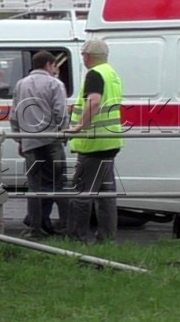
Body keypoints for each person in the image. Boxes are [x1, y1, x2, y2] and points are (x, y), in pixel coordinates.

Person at [66, 38, 126, 242]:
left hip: (94, 142)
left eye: (83, 54)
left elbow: (94, 102)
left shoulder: (95, 74)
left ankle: (78, 237)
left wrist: (79, 126)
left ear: (88, 56)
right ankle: (107, 238)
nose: (83, 58)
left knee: (82, 192)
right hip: (110, 140)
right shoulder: (112, 73)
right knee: (106, 193)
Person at [11, 50, 70, 236]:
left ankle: (35, 227)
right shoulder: (55, 84)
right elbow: (61, 113)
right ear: (49, 64)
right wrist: (64, 133)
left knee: (34, 187)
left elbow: (14, 115)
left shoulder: (21, 85)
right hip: (51, 140)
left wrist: (19, 139)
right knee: (58, 184)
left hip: (29, 142)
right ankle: (66, 225)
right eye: (54, 66)